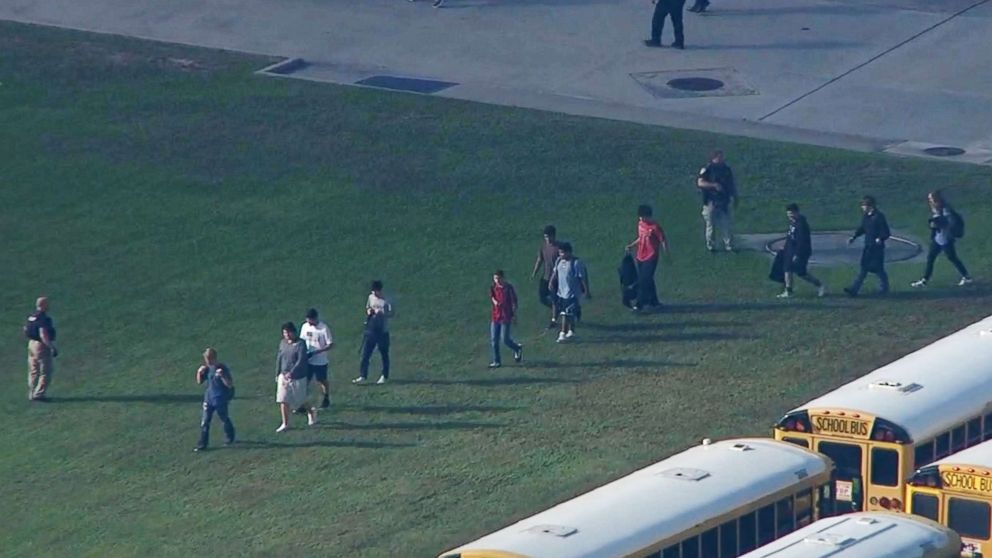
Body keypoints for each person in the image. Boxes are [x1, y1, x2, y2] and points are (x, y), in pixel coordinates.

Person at [911, 191, 973, 288]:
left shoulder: (945, 208)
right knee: (931, 258)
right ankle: (924, 280)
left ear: (937, 198)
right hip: (938, 238)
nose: (930, 201)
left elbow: (949, 222)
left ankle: (967, 277)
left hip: (946, 239)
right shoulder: (935, 208)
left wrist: (938, 223)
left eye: (931, 199)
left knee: (952, 257)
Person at [625, 204, 670, 311]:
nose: (641, 218)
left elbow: (662, 240)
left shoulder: (655, 227)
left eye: (643, 216)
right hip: (640, 256)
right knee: (648, 279)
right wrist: (632, 245)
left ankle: (640, 303)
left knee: (643, 280)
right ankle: (654, 301)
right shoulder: (640, 224)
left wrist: (666, 253)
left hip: (651, 256)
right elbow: (641, 238)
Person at [776, 204, 826, 298]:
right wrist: (785, 247)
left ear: (796, 212)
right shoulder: (793, 223)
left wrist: (797, 254)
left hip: (802, 252)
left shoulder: (801, 224)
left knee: (801, 273)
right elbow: (790, 237)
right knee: (787, 269)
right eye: (788, 215)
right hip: (790, 251)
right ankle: (788, 291)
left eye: (791, 214)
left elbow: (802, 241)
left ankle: (819, 285)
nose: (790, 217)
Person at [844, 196, 890, 297]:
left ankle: (884, 288)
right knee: (864, 268)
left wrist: (880, 238)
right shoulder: (866, 217)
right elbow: (862, 228)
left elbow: (886, 232)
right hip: (868, 246)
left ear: (870, 205)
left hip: (877, 248)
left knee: (879, 269)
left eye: (864, 205)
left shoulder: (879, 217)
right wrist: (854, 237)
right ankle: (854, 289)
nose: (862, 207)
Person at [276, 322, 316, 432]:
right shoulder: (282, 343)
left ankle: (311, 411)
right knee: (283, 399)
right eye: (284, 333)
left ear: (294, 332)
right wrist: (278, 373)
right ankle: (285, 423)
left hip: (298, 377)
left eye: (289, 332)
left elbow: (301, 360)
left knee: (300, 400)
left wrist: (292, 373)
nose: (287, 335)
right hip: (284, 376)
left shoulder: (300, 344)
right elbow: (279, 358)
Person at [194, 348, 235, 452]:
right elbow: (199, 382)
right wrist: (199, 372)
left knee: (224, 418)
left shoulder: (221, 368)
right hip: (209, 398)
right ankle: (202, 444)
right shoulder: (206, 369)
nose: (207, 361)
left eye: (209, 358)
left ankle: (230, 436)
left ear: (213, 358)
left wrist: (222, 376)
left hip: (220, 399)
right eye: (206, 359)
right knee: (205, 421)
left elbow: (229, 384)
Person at [696, 150, 738, 252]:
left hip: (723, 202)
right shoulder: (707, 169)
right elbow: (700, 183)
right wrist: (714, 185)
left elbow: (731, 184)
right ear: (713, 158)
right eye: (719, 157)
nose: (721, 159)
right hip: (710, 202)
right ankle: (711, 247)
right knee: (711, 226)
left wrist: (735, 196)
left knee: (726, 225)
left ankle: (729, 246)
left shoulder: (726, 169)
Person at [354, 280, 394, 385]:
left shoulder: (386, 300)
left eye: (376, 291)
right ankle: (363, 375)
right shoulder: (371, 297)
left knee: (384, 354)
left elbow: (392, 313)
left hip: (383, 330)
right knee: (366, 353)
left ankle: (384, 375)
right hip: (372, 329)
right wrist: (370, 312)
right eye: (373, 291)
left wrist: (383, 314)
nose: (374, 293)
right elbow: (368, 308)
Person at [549, 242, 591, 343]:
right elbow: (555, 272)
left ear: (569, 252)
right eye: (560, 253)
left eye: (562, 253)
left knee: (565, 313)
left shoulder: (576, 263)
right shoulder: (559, 261)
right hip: (561, 292)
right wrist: (551, 282)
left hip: (572, 294)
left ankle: (562, 333)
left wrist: (586, 291)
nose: (560, 255)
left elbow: (582, 278)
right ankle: (571, 332)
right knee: (570, 313)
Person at [24, 296, 57, 402]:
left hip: (31, 344)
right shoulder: (44, 319)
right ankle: (39, 394)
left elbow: (25, 329)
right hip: (41, 346)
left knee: (33, 371)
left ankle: (31, 392)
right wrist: (51, 347)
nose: (49, 306)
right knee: (45, 371)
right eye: (47, 304)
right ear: (43, 305)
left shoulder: (31, 316)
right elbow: (43, 334)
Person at [300, 308, 334, 409]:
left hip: (320, 361)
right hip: (308, 360)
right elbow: (302, 341)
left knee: (322, 380)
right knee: (304, 382)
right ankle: (302, 403)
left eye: (311, 320)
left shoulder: (323, 328)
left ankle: (326, 397)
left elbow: (330, 344)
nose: (309, 322)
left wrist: (316, 352)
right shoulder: (305, 327)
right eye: (307, 320)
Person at [489, 270, 523, 368]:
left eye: (499, 278)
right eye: (495, 278)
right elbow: (492, 296)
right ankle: (497, 361)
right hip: (496, 316)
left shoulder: (508, 288)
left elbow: (514, 302)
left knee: (505, 339)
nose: (497, 280)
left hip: (506, 316)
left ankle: (517, 348)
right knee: (494, 340)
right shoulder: (493, 287)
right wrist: (495, 302)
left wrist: (514, 316)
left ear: (503, 278)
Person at [531, 225, 560, 329]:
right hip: (546, 277)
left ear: (553, 236)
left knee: (554, 298)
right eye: (545, 237)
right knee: (542, 298)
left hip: (556, 279)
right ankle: (557, 309)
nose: (547, 239)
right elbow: (540, 260)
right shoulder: (543, 247)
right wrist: (535, 272)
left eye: (548, 237)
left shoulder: (559, 248)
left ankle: (554, 320)